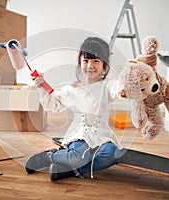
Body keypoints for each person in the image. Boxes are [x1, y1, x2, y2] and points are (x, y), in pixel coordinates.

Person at [25, 37, 156, 181]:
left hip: (102, 136)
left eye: (96, 61)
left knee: (112, 154)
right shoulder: (72, 89)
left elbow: (118, 88)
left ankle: (71, 170)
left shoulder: (107, 85)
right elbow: (53, 105)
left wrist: (128, 83)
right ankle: (49, 157)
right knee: (79, 156)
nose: (90, 66)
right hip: (80, 135)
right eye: (86, 61)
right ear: (80, 62)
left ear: (104, 64)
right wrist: (41, 87)